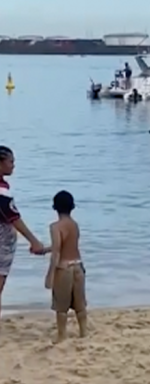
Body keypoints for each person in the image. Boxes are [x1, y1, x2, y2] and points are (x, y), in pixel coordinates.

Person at [0, 146, 47, 321]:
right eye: (11, 162)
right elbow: (13, 217)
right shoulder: (1, 191)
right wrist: (34, 241)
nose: (13, 166)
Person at [44, 191, 87, 342]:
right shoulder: (74, 225)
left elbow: (57, 252)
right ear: (72, 207)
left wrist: (50, 275)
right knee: (80, 305)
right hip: (78, 266)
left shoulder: (55, 227)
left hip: (64, 269)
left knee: (61, 307)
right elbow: (68, 245)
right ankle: (83, 332)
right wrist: (45, 249)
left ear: (55, 207)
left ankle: (62, 335)